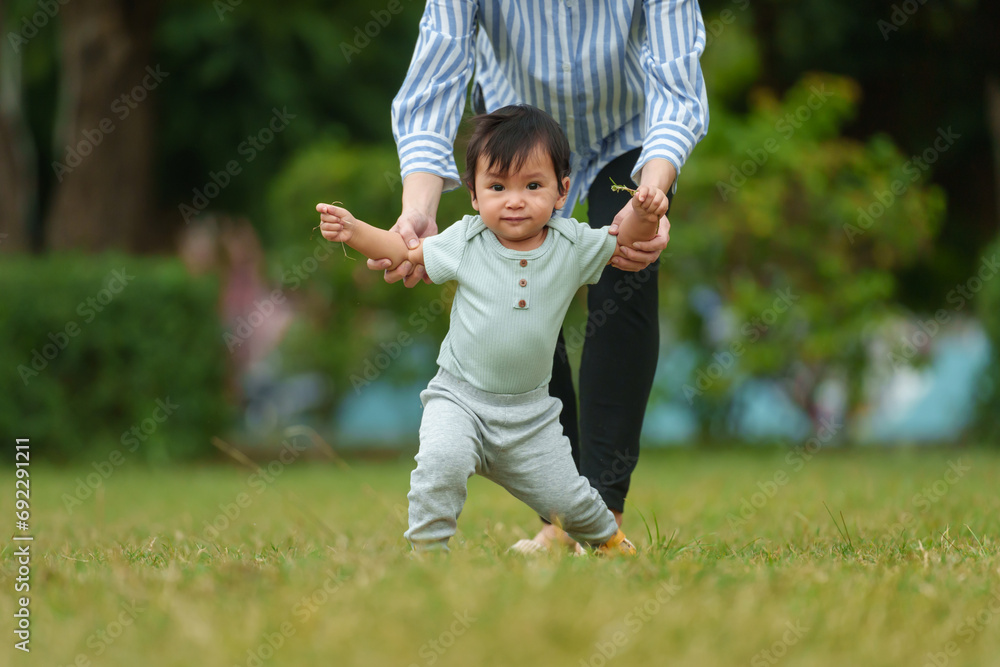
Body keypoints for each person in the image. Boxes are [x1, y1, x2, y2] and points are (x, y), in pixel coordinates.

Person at [371, 1, 709, 550]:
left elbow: (677, 82)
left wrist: (654, 193)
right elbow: (436, 80)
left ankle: (603, 515)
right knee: (516, 289)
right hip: (516, 144)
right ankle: (557, 521)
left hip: (630, 134)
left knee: (625, 280)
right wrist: (418, 208)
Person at [316, 105, 668, 553]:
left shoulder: (572, 244)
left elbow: (628, 242)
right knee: (440, 463)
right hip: (459, 397)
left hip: (532, 417)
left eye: (532, 185)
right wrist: (353, 229)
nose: (514, 200)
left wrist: (646, 210)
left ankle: (610, 543)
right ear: (474, 195)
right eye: (498, 186)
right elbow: (404, 252)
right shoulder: (465, 241)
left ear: (562, 191)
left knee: (571, 501)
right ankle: (428, 553)